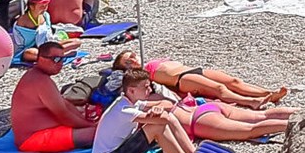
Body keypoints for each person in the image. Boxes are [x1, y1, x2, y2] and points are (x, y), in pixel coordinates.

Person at [91, 67, 200, 153]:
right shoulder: (123, 110)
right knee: (157, 126)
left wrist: (158, 108)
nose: (150, 90)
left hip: (119, 151)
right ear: (131, 90)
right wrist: (158, 111)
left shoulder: (131, 101)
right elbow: (164, 119)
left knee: (167, 118)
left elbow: (168, 104)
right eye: (146, 87)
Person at [11, 42, 98, 152]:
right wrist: (90, 125)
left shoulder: (36, 76)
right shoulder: (40, 81)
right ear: (40, 58)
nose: (60, 63)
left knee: (88, 120)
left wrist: (83, 120)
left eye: (62, 59)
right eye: (56, 59)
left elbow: (65, 105)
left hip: (41, 132)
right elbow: (64, 115)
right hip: (32, 139)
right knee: (99, 133)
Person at [121, 53, 288, 107]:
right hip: (182, 78)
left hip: (192, 69)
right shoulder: (140, 75)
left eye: (132, 55)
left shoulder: (150, 60)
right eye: (128, 61)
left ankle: (268, 93)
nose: (133, 59)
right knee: (219, 89)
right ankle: (251, 101)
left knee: (234, 81)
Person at [11, 0, 82, 66]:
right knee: (32, 53)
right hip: (31, 48)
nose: (44, 9)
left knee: (77, 42)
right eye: (41, 7)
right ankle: (58, 54)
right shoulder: (24, 21)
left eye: (46, 6)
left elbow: (48, 35)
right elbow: (23, 43)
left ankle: (53, 55)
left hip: (47, 45)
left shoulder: (45, 16)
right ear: (32, 7)